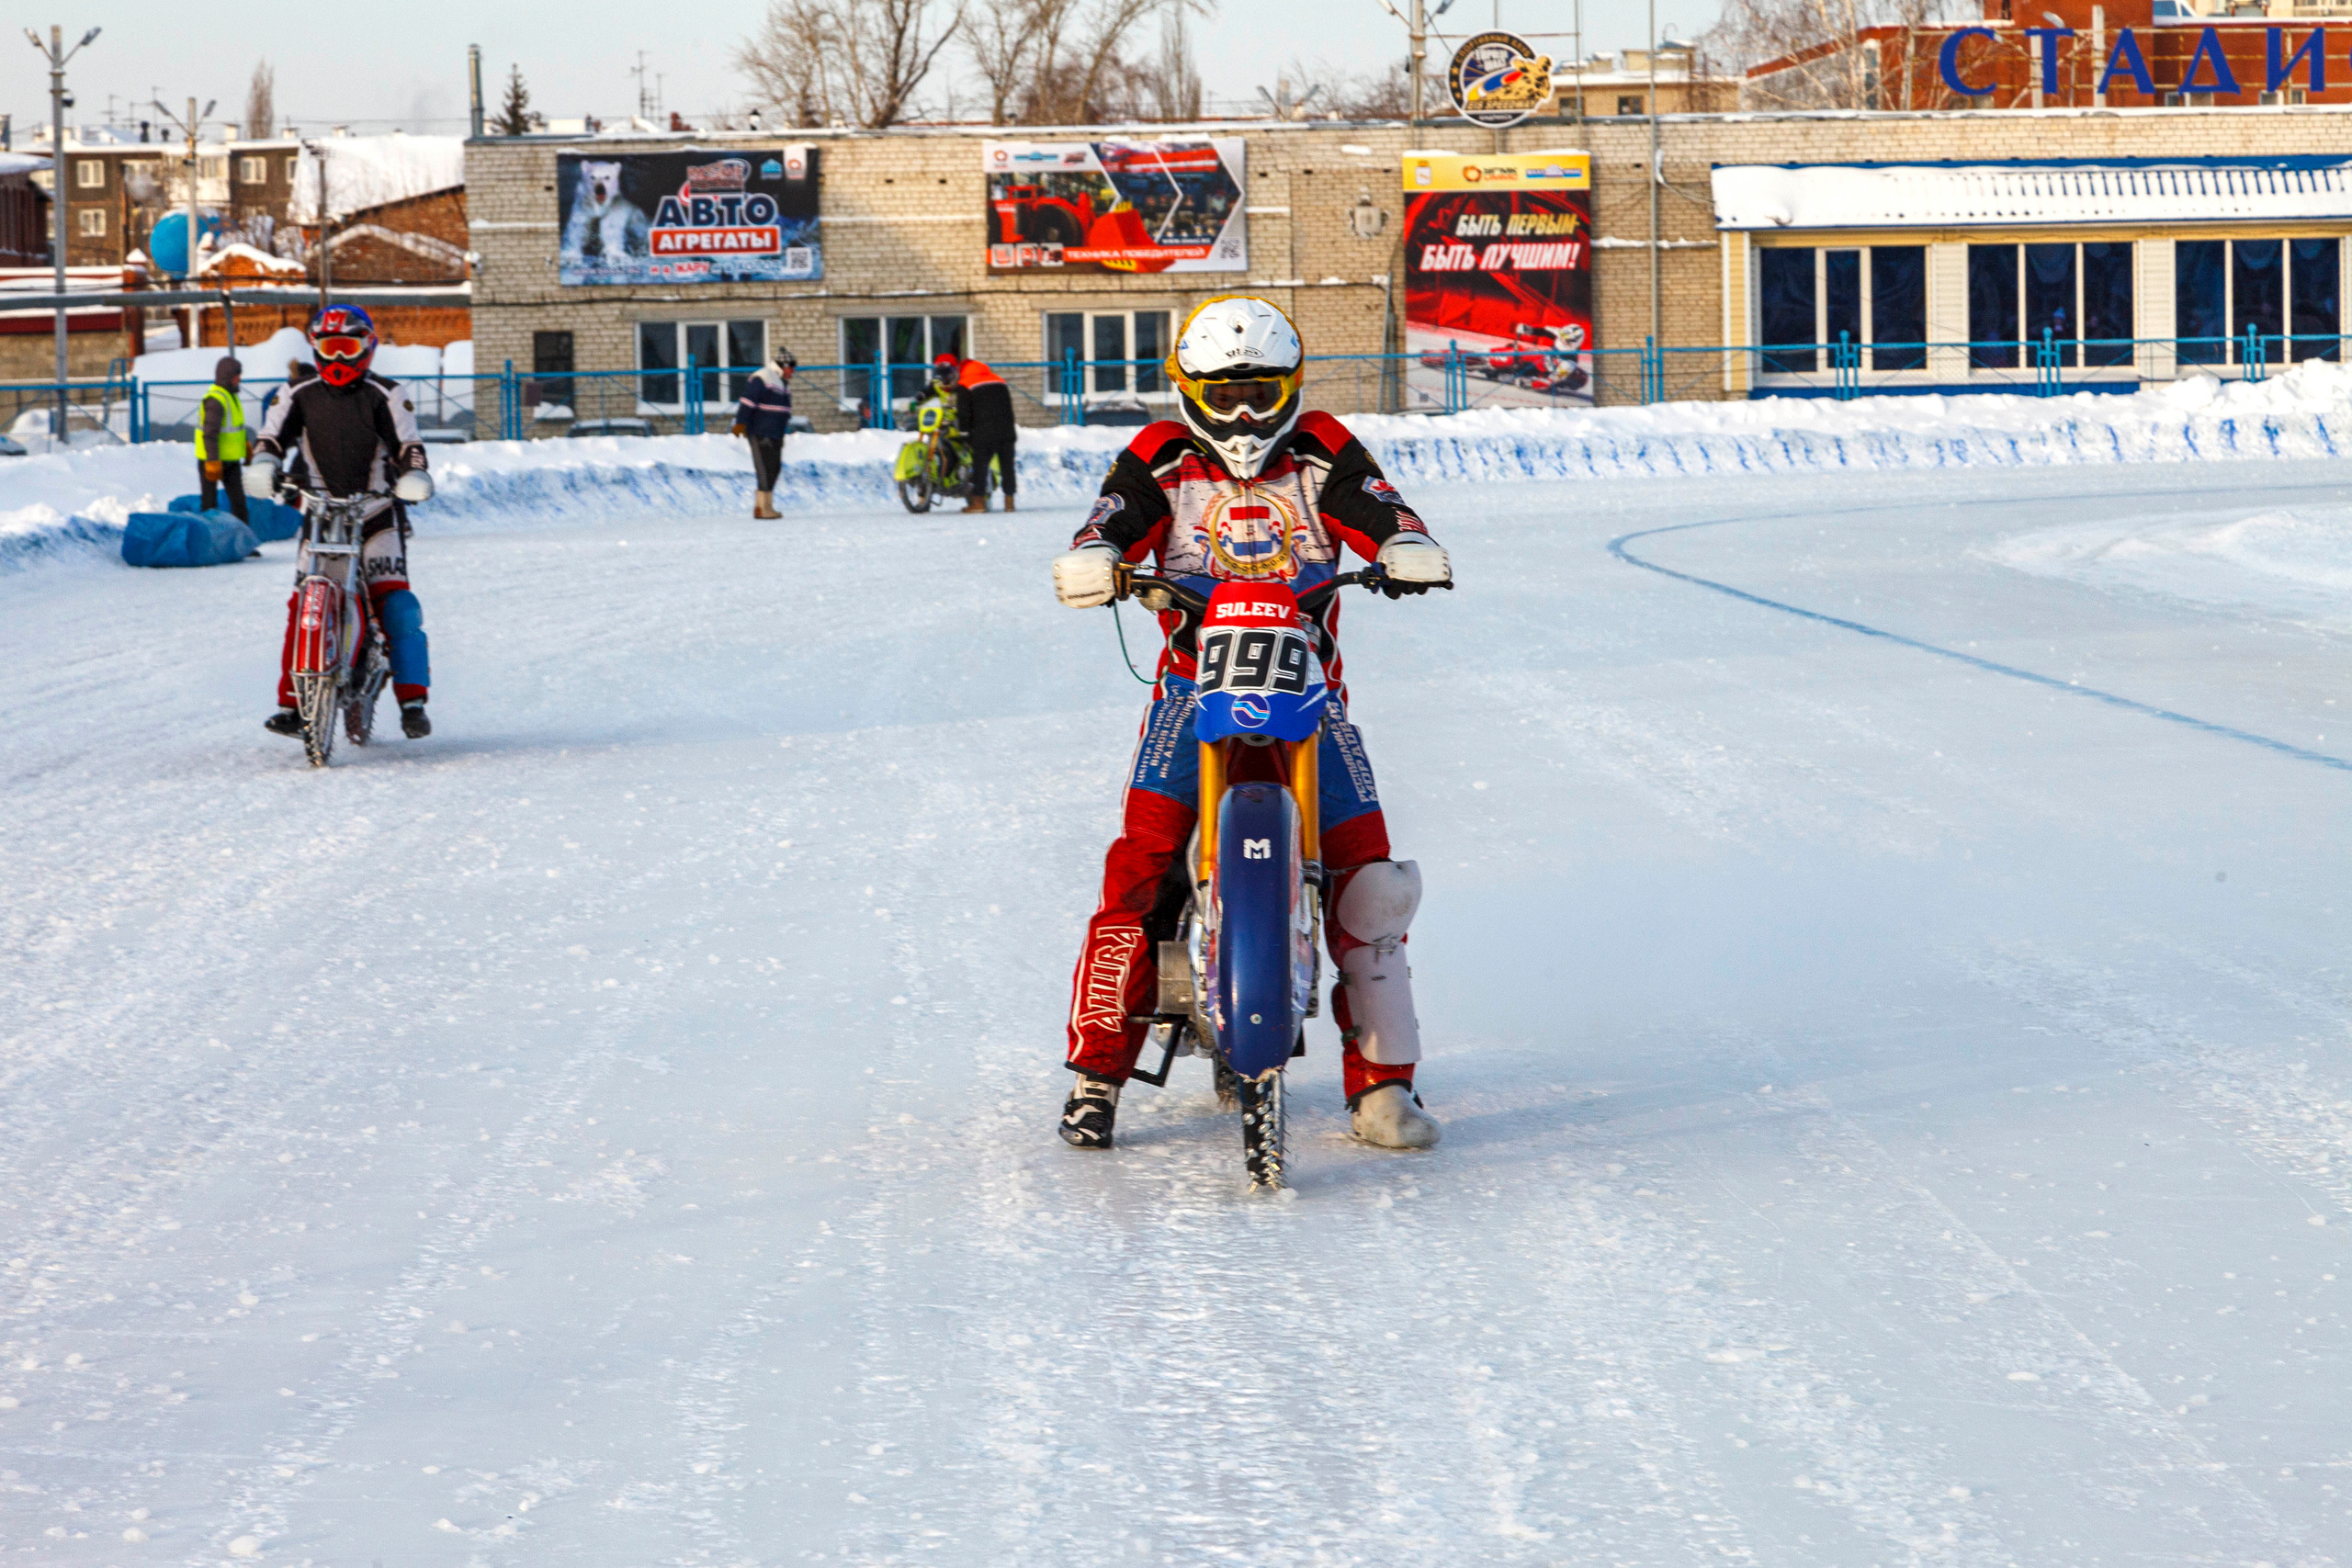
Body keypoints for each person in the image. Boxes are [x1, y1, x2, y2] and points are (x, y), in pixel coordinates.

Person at [1047, 296, 1454, 1154]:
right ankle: (1097, 1075)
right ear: (1189, 390)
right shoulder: (1161, 455)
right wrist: (1099, 556)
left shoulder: (1320, 447)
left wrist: (1401, 543)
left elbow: (1375, 502)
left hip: (1310, 695)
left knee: (1371, 885)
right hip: (1192, 693)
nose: (1242, 415)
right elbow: (1113, 515)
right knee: (1141, 867)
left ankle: (1383, 1087)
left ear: (1292, 389)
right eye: (1224, 394)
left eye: (1261, 393)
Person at [250, 304, 436, 741]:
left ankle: (412, 701)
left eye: (347, 348)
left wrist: (413, 475)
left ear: (366, 349)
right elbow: (271, 437)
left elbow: (409, 444)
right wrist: (263, 464)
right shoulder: (297, 392)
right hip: (318, 514)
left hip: (374, 513)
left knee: (396, 605)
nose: (337, 360)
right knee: (302, 605)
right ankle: (292, 705)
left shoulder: (387, 394)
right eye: (329, 349)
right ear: (315, 348)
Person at [933, 350, 1016, 513]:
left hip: (984, 432)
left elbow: (965, 413)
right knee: (1007, 466)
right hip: (1007, 431)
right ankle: (1009, 503)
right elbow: (1009, 407)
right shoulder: (999, 381)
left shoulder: (966, 384)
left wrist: (965, 433)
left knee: (980, 466)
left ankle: (978, 503)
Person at [730, 353, 796, 520]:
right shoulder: (763, 377)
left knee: (774, 467)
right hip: (760, 431)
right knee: (765, 469)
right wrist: (741, 422)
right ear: (781, 367)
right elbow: (748, 401)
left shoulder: (781, 383)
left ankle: (766, 506)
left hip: (775, 433)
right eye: (790, 368)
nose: (792, 372)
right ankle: (762, 507)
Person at [196, 355, 251, 523]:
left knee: (239, 504)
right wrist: (212, 461)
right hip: (211, 461)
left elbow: (236, 427)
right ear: (228, 377)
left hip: (230, 461)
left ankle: (243, 546)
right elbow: (210, 434)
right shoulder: (216, 400)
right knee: (210, 506)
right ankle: (210, 543)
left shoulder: (231, 395)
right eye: (236, 375)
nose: (239, 378)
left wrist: (245, 446)